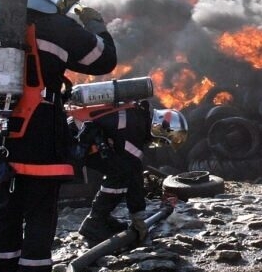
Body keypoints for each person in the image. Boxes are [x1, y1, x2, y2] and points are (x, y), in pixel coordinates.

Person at [0, 0, 118, 272]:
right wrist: (96, 25)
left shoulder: (1, 22)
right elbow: (104, 60)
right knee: (40, 213)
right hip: (41, 130)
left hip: (1, 130)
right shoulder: (61, 27)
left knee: (6, 211)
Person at [71, 101, 188, 247]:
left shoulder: (137, 118)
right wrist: (138, 216)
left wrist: (137, 213)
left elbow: (134, 171)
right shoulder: (133, 130)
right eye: (160, 141)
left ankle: (102, 218)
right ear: (159, 130)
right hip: (75, 139)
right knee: (120, 174)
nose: (156, 143)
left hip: (84, 136)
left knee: (121, 170)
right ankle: (95, 222)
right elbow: (134, 175)